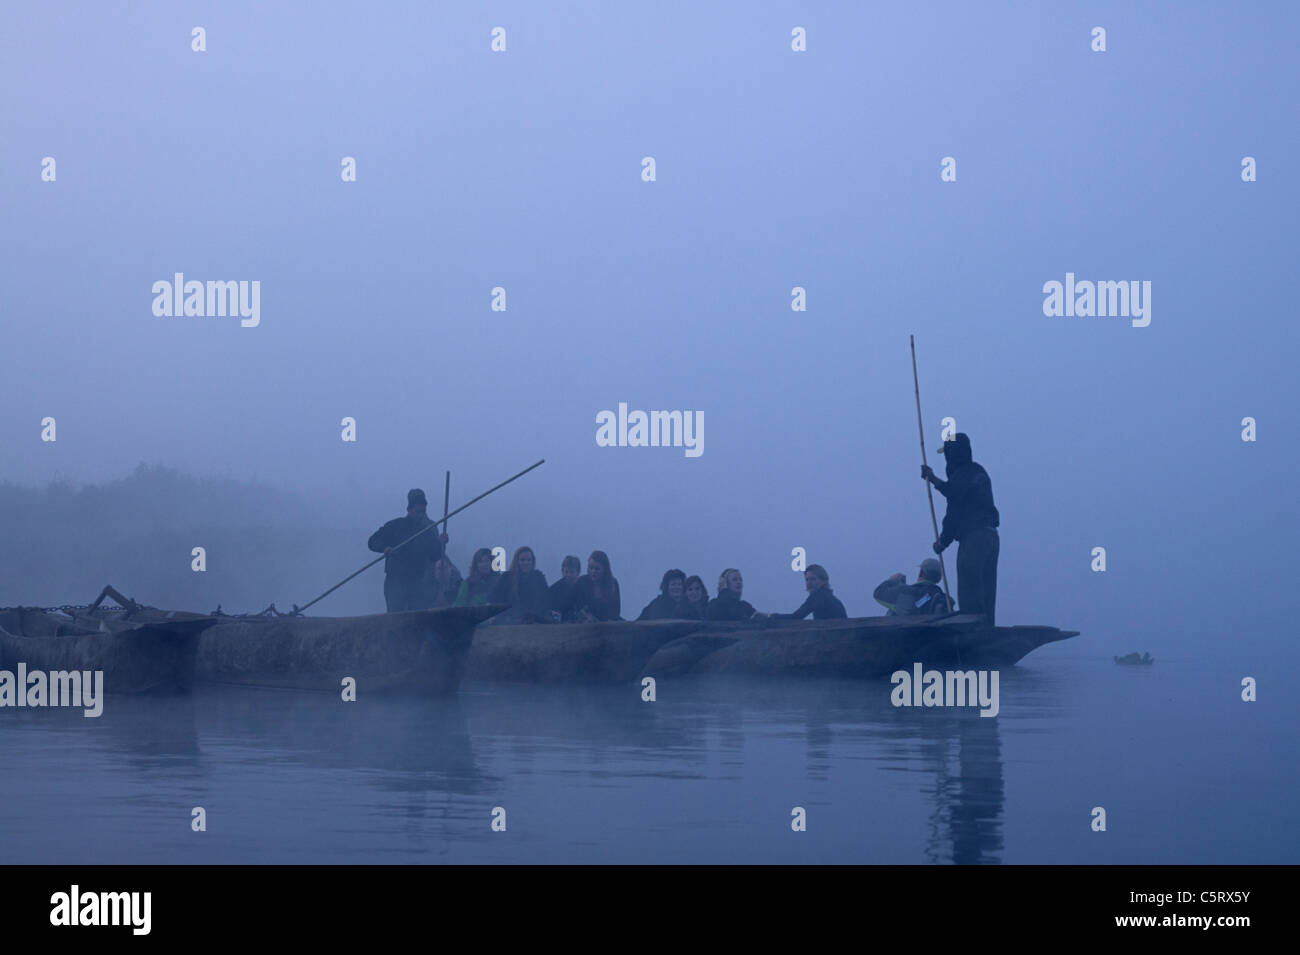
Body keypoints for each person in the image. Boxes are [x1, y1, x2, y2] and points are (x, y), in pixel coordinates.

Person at [921, 432, 1000, 624]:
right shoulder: (977, 472)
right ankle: (986, 625)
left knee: (970, 587)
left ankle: (972, 627)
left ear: (952, 454)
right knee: (986, 587)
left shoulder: (964, 474)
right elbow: (955, 496)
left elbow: (953, 508)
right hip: (991, 537)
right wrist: (934, 480)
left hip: (974, 538)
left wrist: (942, 542)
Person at [367, 488, 448, 612]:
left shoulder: (427, 531)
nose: (420, 514)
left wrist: (441, 544)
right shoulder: (395, 526)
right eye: (418, 511)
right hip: (395, 580)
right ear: (409, 509)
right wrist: (384, 548)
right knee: (395, 616)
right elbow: (372, 541)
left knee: (417, 616)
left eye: (423, 511)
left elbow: (435, 556)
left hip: (417, 581)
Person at [488, 546, 551, 623]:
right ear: (516, 561)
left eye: (528, 560)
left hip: (534, 622)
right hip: (509, 623)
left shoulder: (539, 577)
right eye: (522, 560)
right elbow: (495, 598)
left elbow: (546, 600)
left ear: (532, 561)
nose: (526, 563)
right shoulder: (506, 578)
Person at [873, 558, 950, 616]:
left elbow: (878, 593)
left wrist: (892, 581)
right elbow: (918, 604)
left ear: (921, 573)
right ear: (938, 579)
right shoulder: (941, 598)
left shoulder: (909, 592)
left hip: (906, 635)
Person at [774, 564, 847, 620]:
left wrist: (771, 617)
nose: (809, 583)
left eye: (813, 579)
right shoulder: (827, 596)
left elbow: (797, 616)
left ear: (823, 581)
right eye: (807, 579)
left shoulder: (819, 596)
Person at [568, 550, 622, 621]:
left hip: (608, 627)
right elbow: (576, 607)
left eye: (597, 569)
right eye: (591, 568)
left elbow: (616, 611)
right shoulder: (581, 582)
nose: (593, 571)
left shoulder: (613, 583)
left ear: (605, 569)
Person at [549, 556, 582, 621]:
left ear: (578, 572)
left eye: (572, 572)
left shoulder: (583, 586)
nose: (568, 575)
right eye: (566, 572)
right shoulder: (554, 589)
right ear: (562, 571)